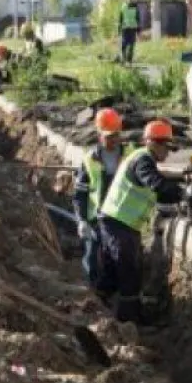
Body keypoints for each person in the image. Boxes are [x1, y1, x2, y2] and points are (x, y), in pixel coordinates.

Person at [97, 118, 184, 324]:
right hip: (119, 222)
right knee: (129, 271)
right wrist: (183, 194)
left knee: (113, 271)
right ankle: (130, 321)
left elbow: (157, 183)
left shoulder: (141, 158)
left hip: (117, 221)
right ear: (154, 143)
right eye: (167, 147)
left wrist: (179, 181)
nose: (168, 153)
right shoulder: (143, 161)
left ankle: (100, 309)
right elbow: (155, 184)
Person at [73, 108, 129, 295]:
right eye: (108, 136)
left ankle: (115, 296)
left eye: (116, 135)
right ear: (98, 135)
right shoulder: (90, 159)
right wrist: (81, 220)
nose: (113, 140)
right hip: (96, 219)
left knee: (119, 260)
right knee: (92, 259)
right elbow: (80, 193)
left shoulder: (129, 155)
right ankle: (92, 297)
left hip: (122, 218)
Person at [119, 0, 142, 64]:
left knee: (124, 43)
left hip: (125, 28)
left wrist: (119, 28)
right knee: (131, 44)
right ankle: (129, 59)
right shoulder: (136, 7)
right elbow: (138, 19)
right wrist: (138, 30)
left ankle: (124, 58)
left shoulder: (123, 6)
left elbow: (120, 18)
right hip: (132, 28)